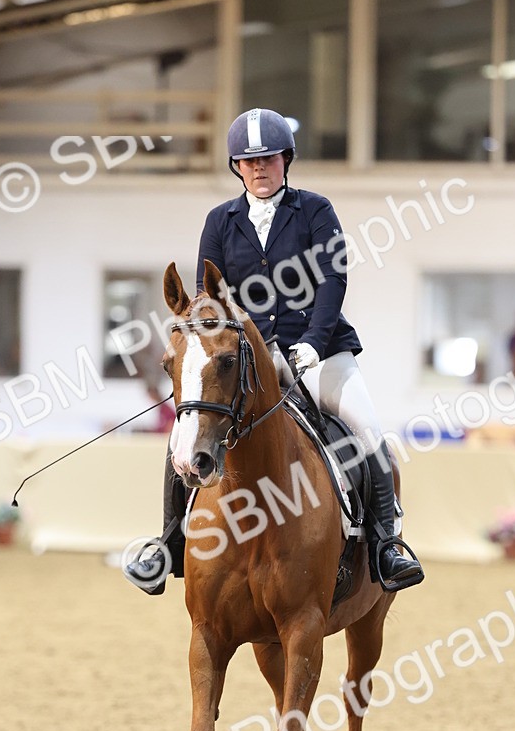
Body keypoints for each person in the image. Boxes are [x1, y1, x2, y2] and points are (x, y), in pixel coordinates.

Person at [125, 107, 424, 596]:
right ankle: (168, 545)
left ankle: (386, 544)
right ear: (237, 168)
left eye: (269, 158)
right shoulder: (220, 221)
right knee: (187, 436)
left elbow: (332, 280)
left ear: (287, 160)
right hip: (249, 359)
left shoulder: (315, 211)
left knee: (366, 430)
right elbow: (210, 295)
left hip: (321, 352)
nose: (260, 168)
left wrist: (313, 341)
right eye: (249, 161)